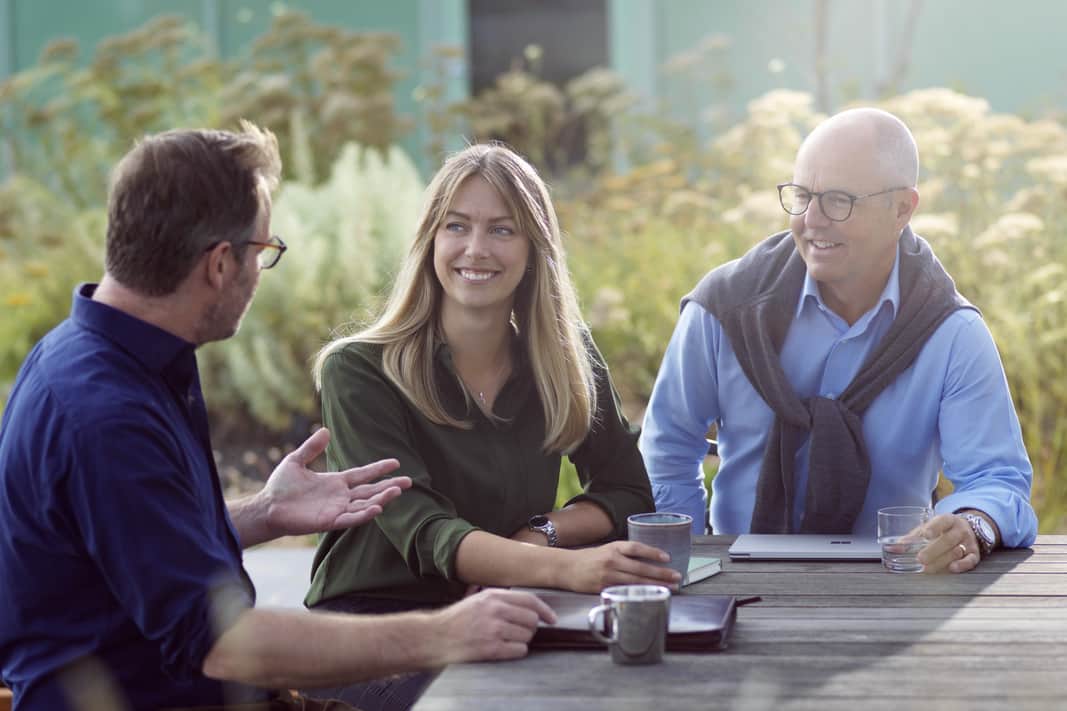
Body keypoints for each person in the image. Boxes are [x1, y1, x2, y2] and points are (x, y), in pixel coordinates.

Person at [0, 123, 557, 711]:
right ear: (220, 263)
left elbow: (132, 547)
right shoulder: (105, 417)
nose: (261, 274)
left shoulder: (106, 354)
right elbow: (226, 644)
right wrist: (445, 633)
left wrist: (265, 513)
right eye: (263, 252)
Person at [306, 143, 676, 709]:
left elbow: (628, 490)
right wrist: (567, 568)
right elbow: (428, 533)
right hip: (372, 631)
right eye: (457, 226)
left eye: (502, 230)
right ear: (431, 239)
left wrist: (541, 533)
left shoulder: (566, 360)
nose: (475, 249)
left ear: (535, 249)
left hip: (506, 609)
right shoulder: (357, 370)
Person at [640, 107, 1038, 574]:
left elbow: (997, 478)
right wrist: (691, 563)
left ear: (902, 209)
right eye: (803, 195)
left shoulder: (951, 332)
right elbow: (668, 449)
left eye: (838, 200)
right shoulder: (723, 310)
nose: (811, 220)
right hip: (736, 581)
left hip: (896, 584)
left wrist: (974, 524)